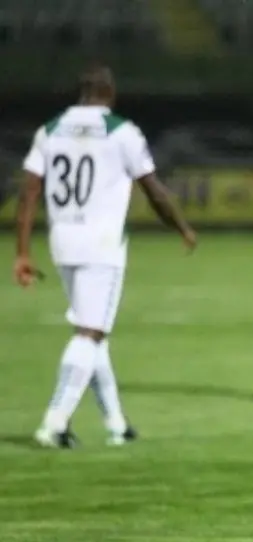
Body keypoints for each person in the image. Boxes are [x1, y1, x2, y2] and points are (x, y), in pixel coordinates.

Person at [13, 63, 196, 448]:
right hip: (102, 244)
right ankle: (54, 423)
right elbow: (154, 189)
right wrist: (180, 226)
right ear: (111, 94)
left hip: (62, 239)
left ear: (80, 93)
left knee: (92, 332)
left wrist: (22, 252)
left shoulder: (49, 130)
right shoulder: (122, 132)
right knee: (90, 332)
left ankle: (116, 423)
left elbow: (29, 191)